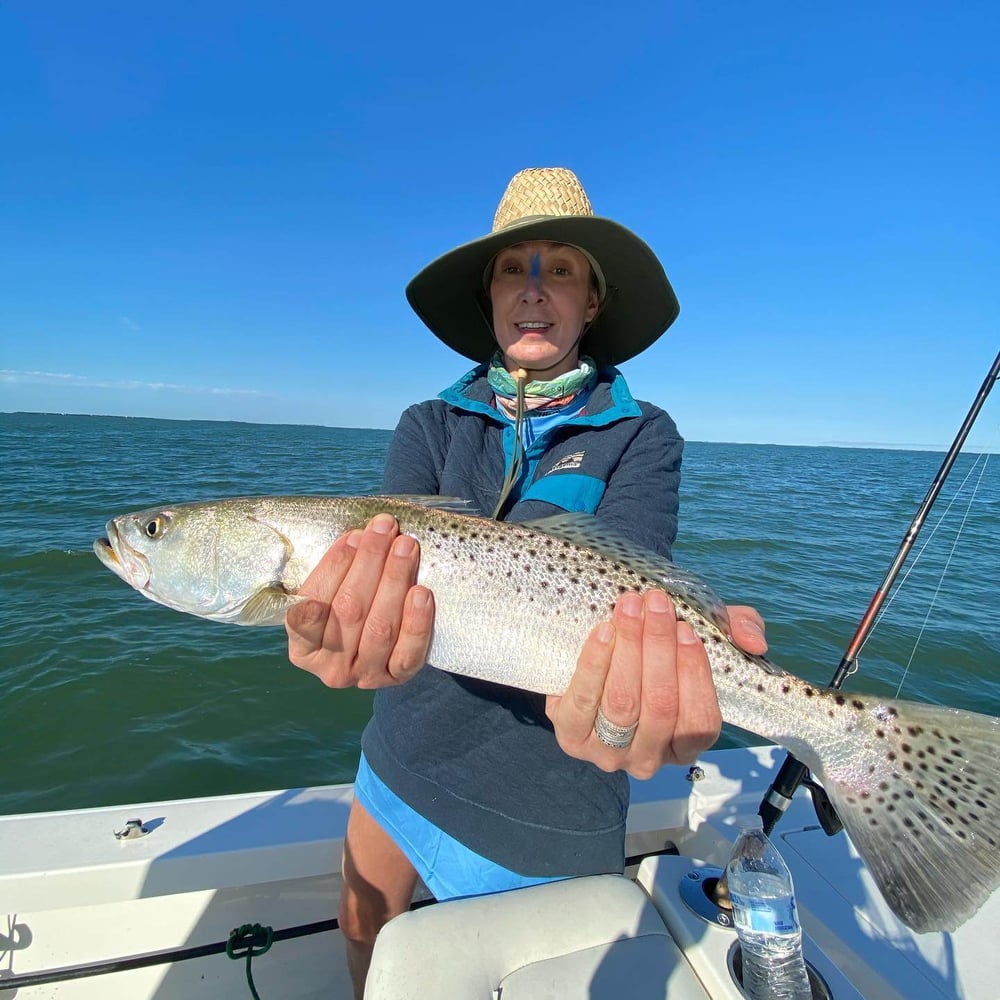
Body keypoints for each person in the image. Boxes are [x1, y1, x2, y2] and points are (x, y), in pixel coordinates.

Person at [286, 167, 768, 996]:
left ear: (593, 303)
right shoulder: (429, 423)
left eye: (562, 269)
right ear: (490, 297)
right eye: (514, 268)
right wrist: (339, 626)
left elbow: (629, 586)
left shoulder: (643, 436)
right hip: (403, 754)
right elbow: (383, 568)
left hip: (550, 798)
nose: (535, 290)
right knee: (362, 920)